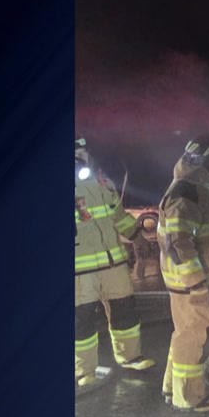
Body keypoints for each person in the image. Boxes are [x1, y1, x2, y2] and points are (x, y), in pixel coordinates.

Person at [158, 132, 209, 411]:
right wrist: (197, 285)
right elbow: (179, 244)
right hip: (191, 282)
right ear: (202, 162)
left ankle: (173, 388)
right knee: (195, 337)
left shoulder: (198, 187)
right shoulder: (186, 193)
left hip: (196, 278)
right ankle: (190, 398)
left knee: (186, 333)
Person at [75, 135, 154, 387]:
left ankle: (130, 357)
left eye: (84, 151)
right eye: (77, 152)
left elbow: (118, 216)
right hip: (79, 268)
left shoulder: (103, 182)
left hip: (114, 262)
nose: (83, 156)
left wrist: (137, 236)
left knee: (125, 310)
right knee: (83, 320)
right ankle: (84, 370)